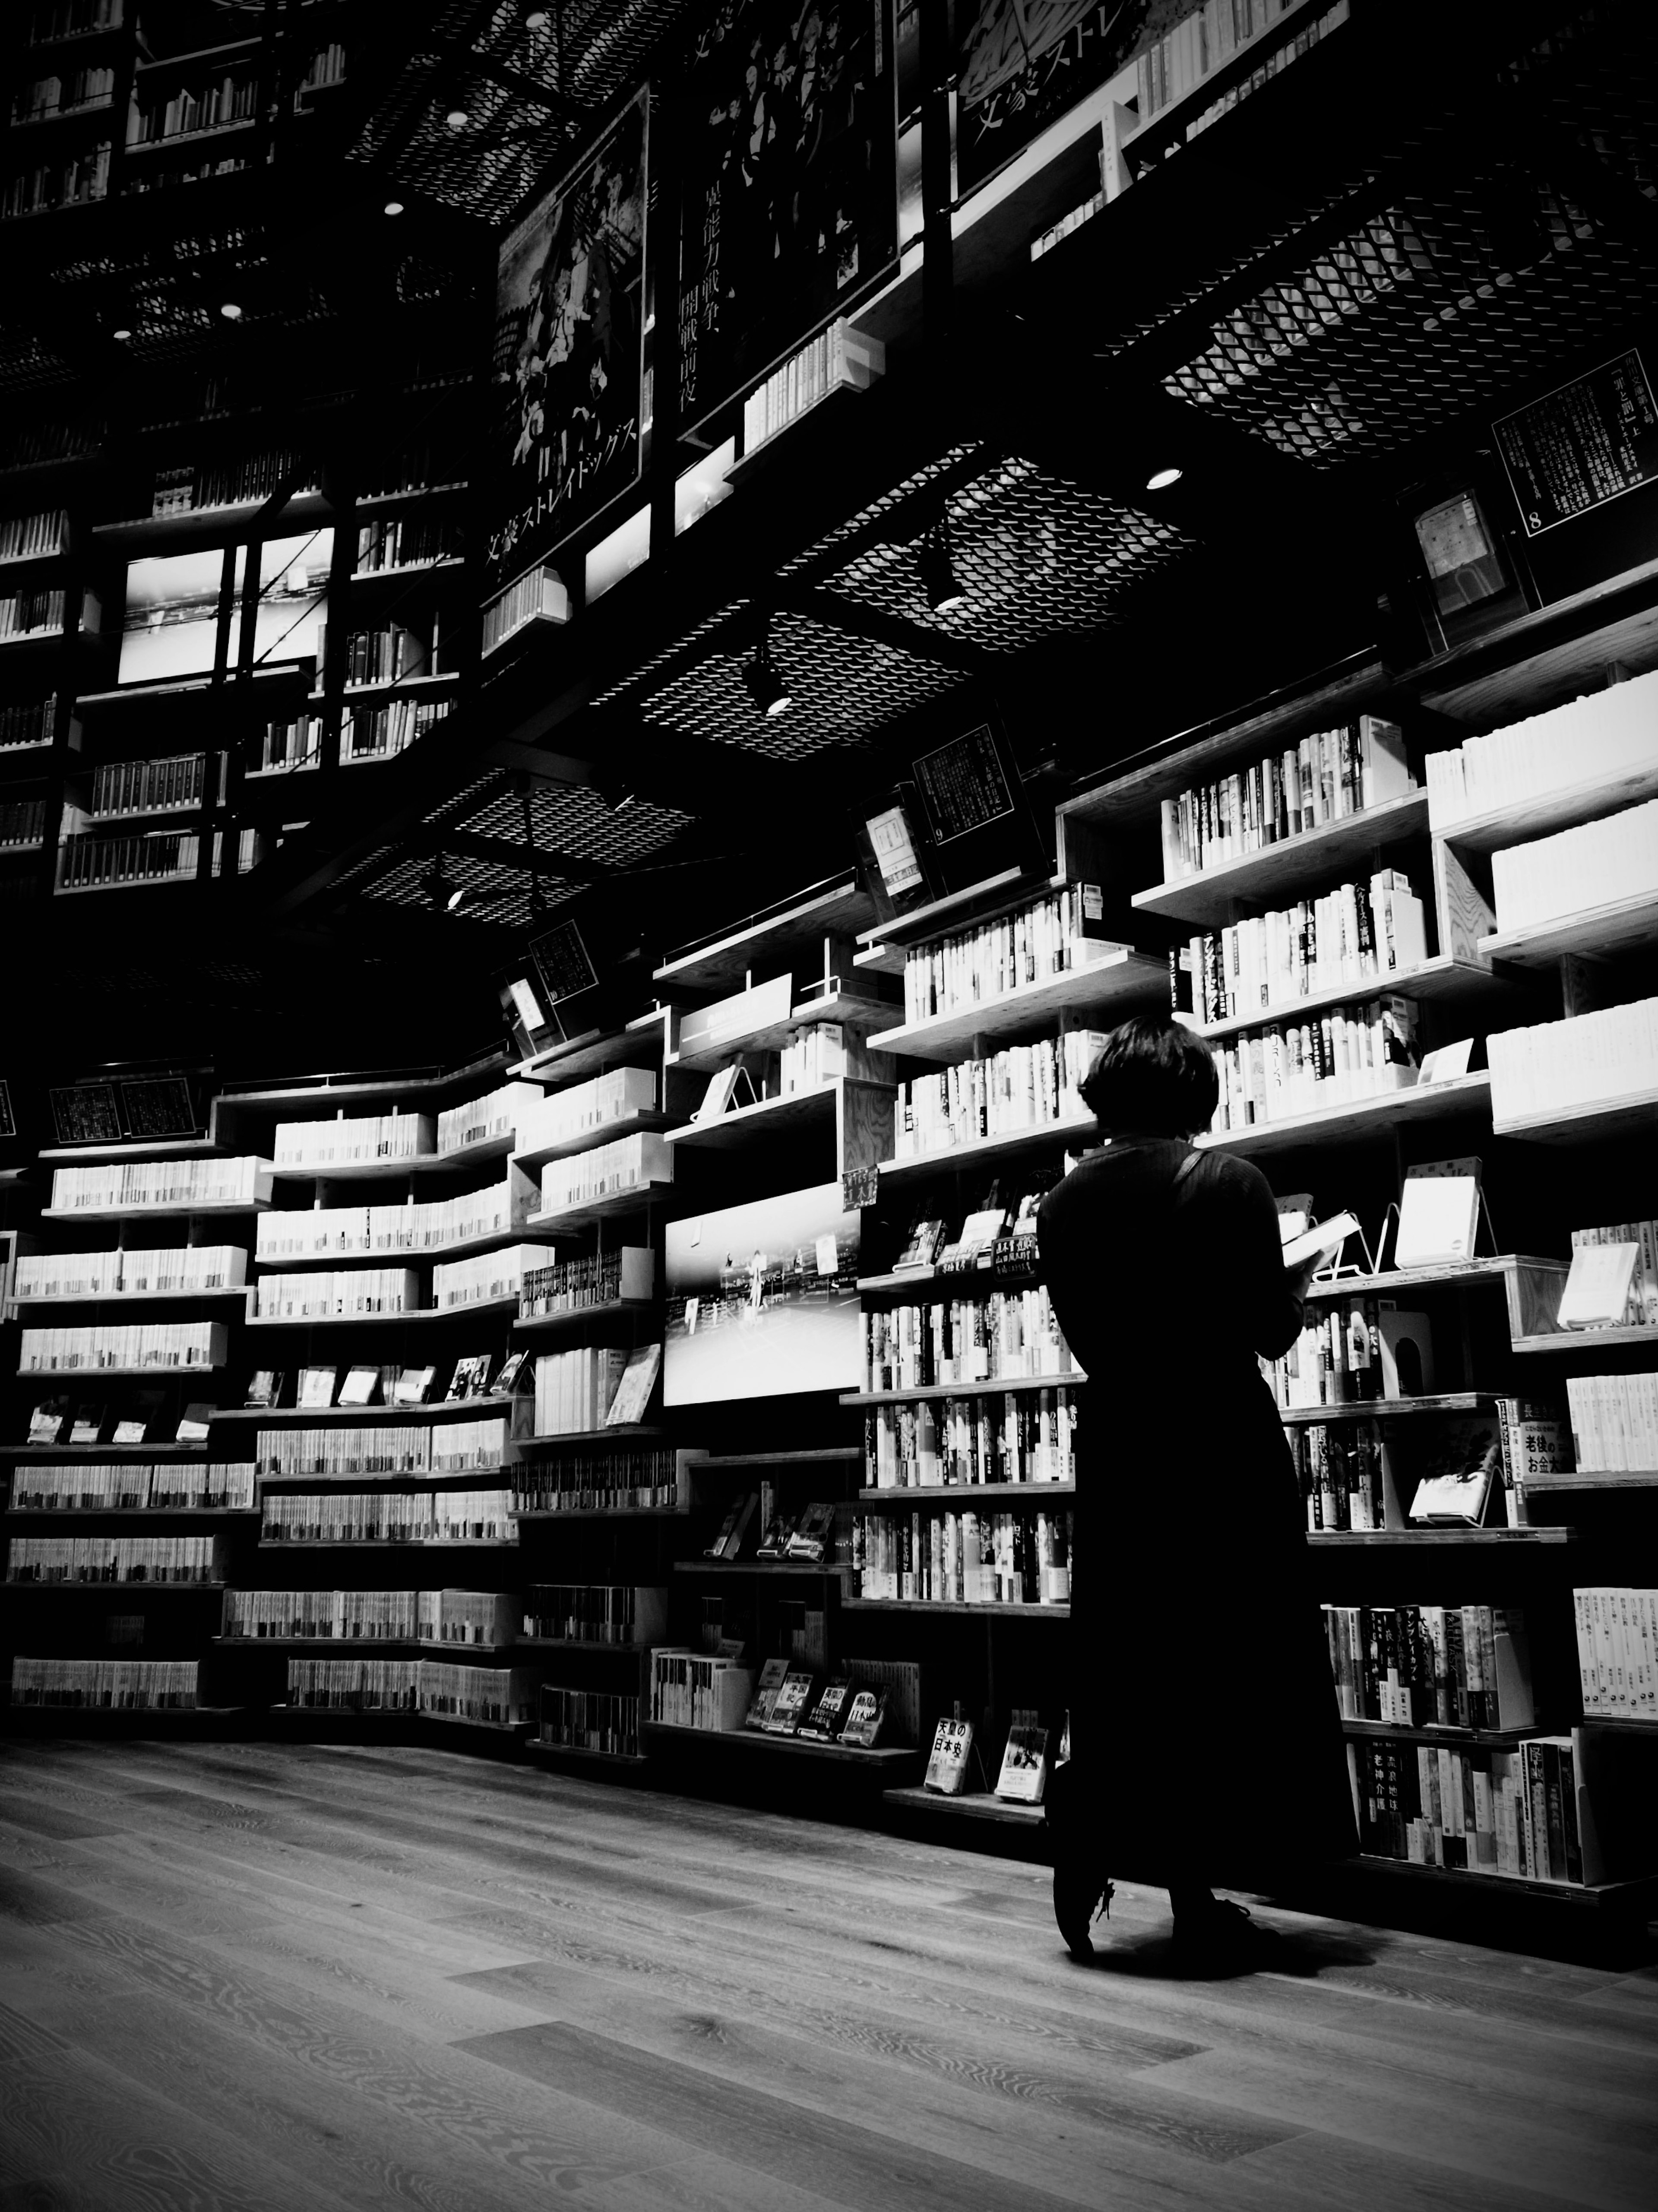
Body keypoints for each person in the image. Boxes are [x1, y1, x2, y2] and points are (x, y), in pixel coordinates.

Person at [1036, 1016, 1356, 1964]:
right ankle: (1205, 1886)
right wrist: (1295, 1289)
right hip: (1218, 1445)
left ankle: (1100, 1839)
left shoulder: (1057, 1204)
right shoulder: (1231, 1183)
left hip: (1124, 1446)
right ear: (1194, 1092)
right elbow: (1268, 1332)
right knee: (1232, 1655)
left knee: (1133, 1656)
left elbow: (1093, 1337)